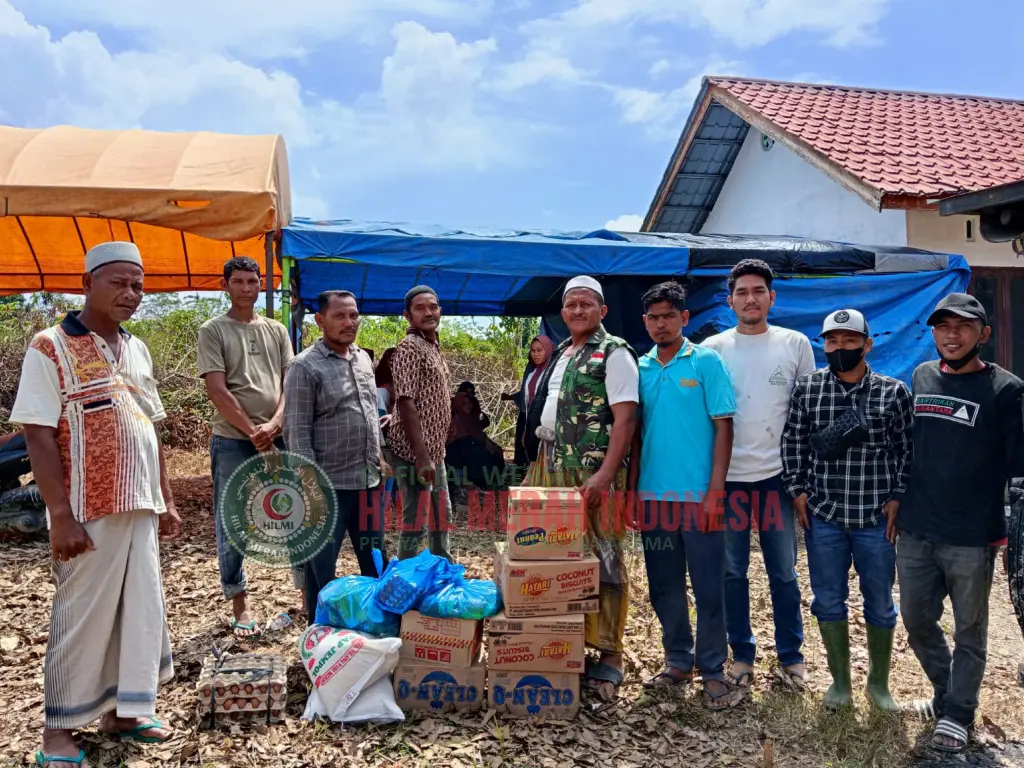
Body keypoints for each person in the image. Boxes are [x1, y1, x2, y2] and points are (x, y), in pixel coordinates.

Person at [11, 242, 181, 765]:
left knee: (140, 607)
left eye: (138, 284)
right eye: (119, 282)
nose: (131, 294)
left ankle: (126, 712)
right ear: (87, 284)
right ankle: (58, 733)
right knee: (82, 615)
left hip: (140, 504)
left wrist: (166, 499)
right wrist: (59, 516)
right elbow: (38, 435)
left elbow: (147, 427)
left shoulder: (137, 348)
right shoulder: (50, 345)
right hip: (87, 507)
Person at [896, 293, 1024, 753]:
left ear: (983, 334)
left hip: (972, 534)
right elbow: (912, 449)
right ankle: (948, 693)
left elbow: (1017, 467)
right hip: (916, 527)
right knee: (916, 620)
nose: (951, 334)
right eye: (942, 326)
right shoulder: (922, 376)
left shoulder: (1008, 390)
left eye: (963, 326)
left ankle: (958, 713)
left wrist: (1011, 529)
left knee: (970, 628)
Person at [782, 308, 913, 712]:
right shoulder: (808, 389)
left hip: (875, 518)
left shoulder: (894, 392)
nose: (841, 348)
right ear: (823, 345)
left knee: (879, 600)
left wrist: (897, 496)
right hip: (824, 516)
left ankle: (879, 684)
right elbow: (793, 443)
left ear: (867, 344)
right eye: (833, 341)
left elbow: (907, 452)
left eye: (850, 341)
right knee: (827, 599)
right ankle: (840, 683)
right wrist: (798, 491)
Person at [523, 275, 638, 699]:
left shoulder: (615, 352)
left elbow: (625, 419)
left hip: (592, 472)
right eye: (570, 304)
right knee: (552, 554)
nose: (576, 310)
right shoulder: (563, 354)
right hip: (549, 465)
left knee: (604, 556)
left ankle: (609, 651)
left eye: (585, 304)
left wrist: (607, 474)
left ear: (602, 311)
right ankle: (561, 638)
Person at [702, 259, 814, 691]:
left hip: (776, 479)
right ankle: (742, 654)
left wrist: (802, 481)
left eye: (759, 291)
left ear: (772, 297)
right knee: (732, 571)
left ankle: (792, 657)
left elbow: (805, 415)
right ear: (730, 300)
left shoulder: (794, 344)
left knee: (783, 570)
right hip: (728, 479)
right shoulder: (713, 349)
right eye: (742, 292)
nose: (751, 299)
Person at [631, 281, 741, 710]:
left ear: (684, 318)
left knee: (709, 586)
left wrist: (716, 491)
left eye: (669, 316)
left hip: (700, 499)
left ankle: (712, 668)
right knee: (663, 584)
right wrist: (634, 492)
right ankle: (678, 659)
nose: (661, 324)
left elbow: (724, 427)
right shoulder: (640, 367)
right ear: (646, 322)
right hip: (654, 499)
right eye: (654, 318)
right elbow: (636, 436)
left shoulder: (707, 361)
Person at [198, 256, 294, 636]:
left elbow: (291, 383)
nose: (246, 288)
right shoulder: (213, 330)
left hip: (278, 436)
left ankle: (305, 597)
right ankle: (240, 603)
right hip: (233, 440)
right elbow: (217, 389)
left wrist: (274, 424)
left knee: (294, 515)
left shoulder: (276, 330)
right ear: (226, 285)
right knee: (233, 520)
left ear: (260, 285)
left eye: (253, 281)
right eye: (238, 281)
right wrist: (254, 431)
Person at [284, 290, 389, 620]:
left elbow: (370, 411)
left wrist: (379, 456)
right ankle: (320, 639)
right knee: (322, 571)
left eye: (354, 315)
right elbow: (296, 431)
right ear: (320, 320)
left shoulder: (361, 360)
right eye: (340, 316)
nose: (349, 322)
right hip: (327, 485)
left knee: (375, 560)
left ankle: (379, 627)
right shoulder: (304, 367)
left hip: (367, 479)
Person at [385, 286, 455, 562]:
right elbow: (405, 400)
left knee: (442, 516)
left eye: (433, 307)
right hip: (413, 453)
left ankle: (442, 572)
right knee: (416, 522)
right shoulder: (409, 348)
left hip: (434, 452)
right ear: (407, 315)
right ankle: (403, 583)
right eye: (420, 308)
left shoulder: (432, 345)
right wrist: (421, 455)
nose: (429, 313)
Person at [502, 335, 556, 469]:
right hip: (531, 422)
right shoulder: (533, 373)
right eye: (533, 350)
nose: (536, 354)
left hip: (547, 425)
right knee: (534, 459)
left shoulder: (554, 373)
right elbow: (526, 395)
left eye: (539, 350)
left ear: (548, 350)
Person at [447, 383, 505, 490]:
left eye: (469, 403)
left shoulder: (472, 416)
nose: (468, 406)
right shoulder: (453, 416)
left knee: (492, 452)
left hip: (473, 446)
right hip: (459, 451)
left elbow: (479, 430)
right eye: (464, 404)